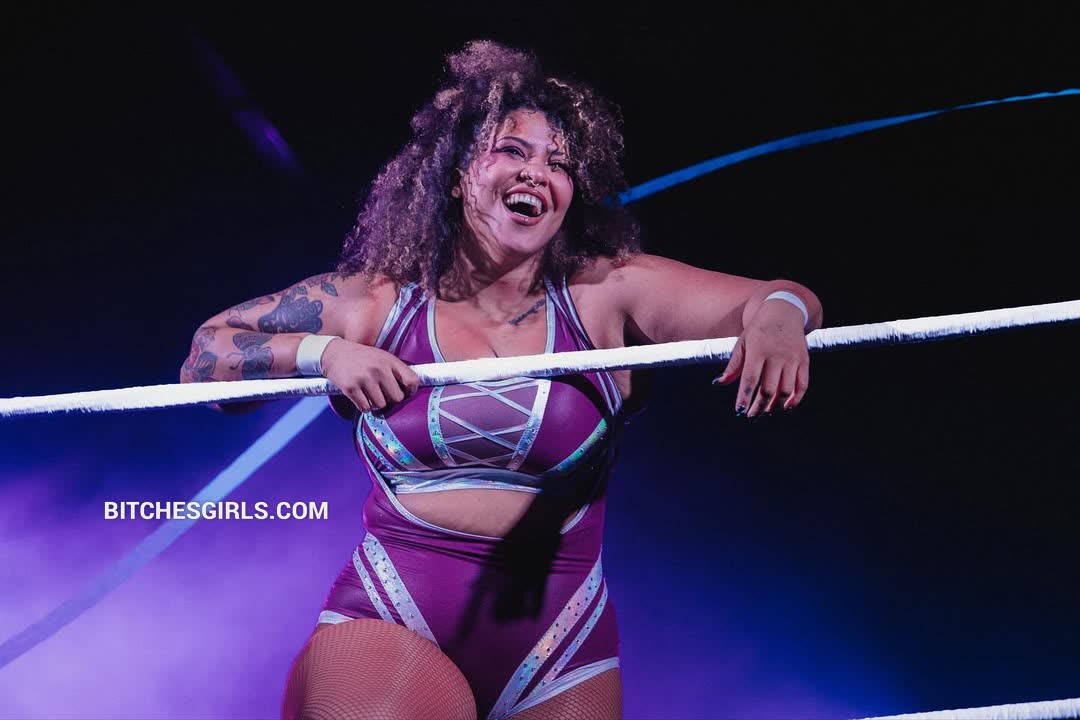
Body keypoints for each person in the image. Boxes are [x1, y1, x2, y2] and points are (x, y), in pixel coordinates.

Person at [181, 39, 822, 720]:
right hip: (395, 615)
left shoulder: (607, 293)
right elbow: (205, 356)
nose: (537, 173)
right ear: (459, 175)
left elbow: (779, 298)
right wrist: (327, 354)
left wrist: (780, 319)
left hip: (560, 642)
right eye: (513, 150)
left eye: (559, 164)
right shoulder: (374, 302)